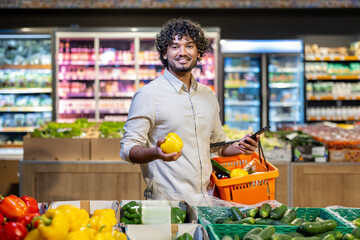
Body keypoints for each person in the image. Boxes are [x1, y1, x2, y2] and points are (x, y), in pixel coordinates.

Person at [120, 17, 259, 204]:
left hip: (208, 200)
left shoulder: (208, 95)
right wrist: (156, 152)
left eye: (189, 46)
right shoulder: (148, 95)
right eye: (175, 46)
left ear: (199, 52)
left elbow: (218, 146)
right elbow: (127, 149)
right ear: (164, 53)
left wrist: (241, 147)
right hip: (168, 204)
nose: (182, 52)